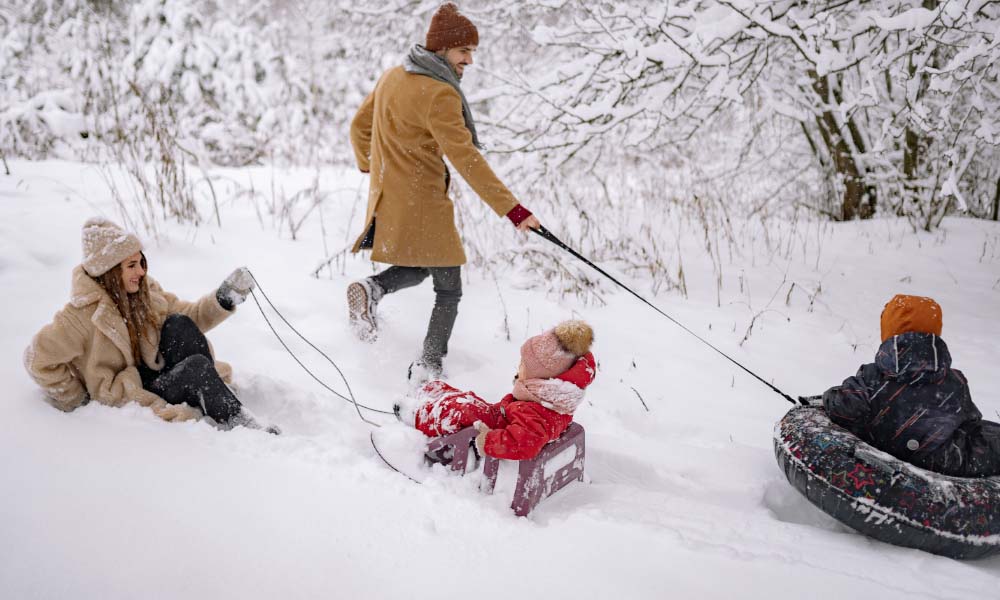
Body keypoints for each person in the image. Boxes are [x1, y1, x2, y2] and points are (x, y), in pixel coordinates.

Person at [346, 2, 541, 383]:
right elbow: (466, 159)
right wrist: (514, 211)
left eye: (471, 51)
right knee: (448, 288)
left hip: (391, 195)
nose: (469, 59)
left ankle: (372, 290)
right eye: (463, 51)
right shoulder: (441, 95)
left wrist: (372, 168)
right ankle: (429, 367)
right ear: (442, 49)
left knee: (422, 265)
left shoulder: (392, 76)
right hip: (425, 201)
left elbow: (358, 128)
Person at [24, 217, 278, 433]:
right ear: (110, 271)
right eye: (131, 265)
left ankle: (214, 395)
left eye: (141, 262)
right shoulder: (80, 317)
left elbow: (190, 315)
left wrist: (224, 298)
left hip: (155, 369)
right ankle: (240, 423)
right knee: (197, 368)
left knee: (179, 324)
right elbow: (37, 360)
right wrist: (77, 399)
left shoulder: (145, 292)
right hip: (133, 390)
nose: (141, 272)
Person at [821, 294, 999, 477]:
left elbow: (843, 406)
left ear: (889, 331)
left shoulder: (872, 377)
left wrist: (829, 397)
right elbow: (971, 423)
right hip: (941, 464)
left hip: (883, 453)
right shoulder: (956, 382)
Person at [395, 320, 596, 461]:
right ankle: (426, 389)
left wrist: (488, 441)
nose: (519, 368)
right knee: (466, 399)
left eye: (524, 365)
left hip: (495, 428)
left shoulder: (536, 412)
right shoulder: (551, 399)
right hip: (501, 418)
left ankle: (416, 415)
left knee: (460, 410)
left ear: (542, 378)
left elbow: (525, 444)